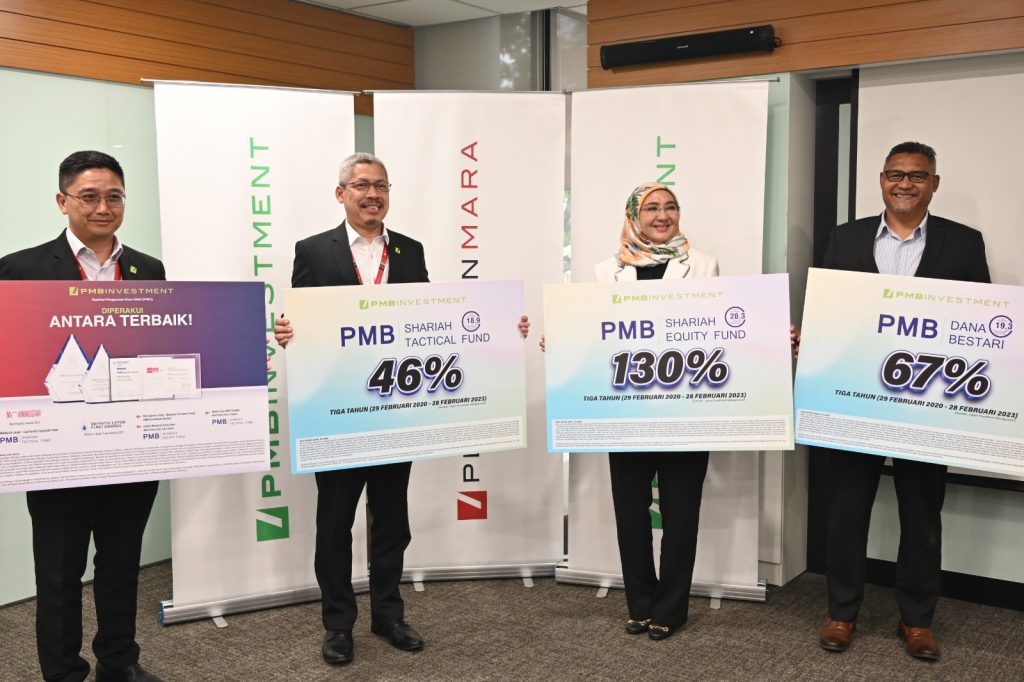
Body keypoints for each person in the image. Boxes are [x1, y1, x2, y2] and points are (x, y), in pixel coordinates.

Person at [274, 153, 528, 666]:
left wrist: (502, 329)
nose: (373, 194)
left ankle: (388, 615)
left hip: (396, 410)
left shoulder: (410, 251)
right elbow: (301, 319)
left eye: (381, 186)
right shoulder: (313, 251)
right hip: (338, 412)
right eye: (361, 185)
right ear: (341, 193)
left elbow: (433, 321)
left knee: (392, 520)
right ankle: (338, 625)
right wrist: (287, 331)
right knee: (335, 524)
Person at [816, 141, 990, 661]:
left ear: (934, 183)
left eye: (917, 175)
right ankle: (841, 613)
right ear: (881, 180)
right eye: (896, 174)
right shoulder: (845, 238)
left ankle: (916, 620)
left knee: (922, 515)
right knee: (847, 511)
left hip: (927, 405)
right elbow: (828, 312)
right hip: (855, 398)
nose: (905, 184)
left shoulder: (964, 243)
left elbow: (981, 322)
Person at [0, 151, 164, 682]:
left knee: (121, 565)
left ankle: (119, 662)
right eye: (89, 196)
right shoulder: (21, 269)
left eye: (114, 196)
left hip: (131, 448)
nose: (103, 207)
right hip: (57, 452)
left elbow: (163, 345)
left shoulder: (148, 269)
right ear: (62, 200)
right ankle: (64, 673)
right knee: (59, 573)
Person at [597, 181, 719, 641]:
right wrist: (564, 340)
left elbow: (722, 328)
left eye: (670, 207)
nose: (662, 215)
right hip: (626, 410)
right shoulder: (606, 270)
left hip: (685, 410)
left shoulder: (703, 265)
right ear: (634, 215)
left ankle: (671, 608)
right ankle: (640, 605)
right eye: (651, 208)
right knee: (630, 514)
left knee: (681, 514)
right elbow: (596, 331)